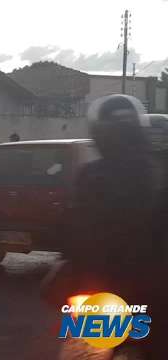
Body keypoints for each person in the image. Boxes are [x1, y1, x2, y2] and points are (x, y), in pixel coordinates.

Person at [62, 95, 167, 356]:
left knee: (88, 352)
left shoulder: (89, 177)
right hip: (148, 294)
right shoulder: (158, 173)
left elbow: (69, 233)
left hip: (104, 295)